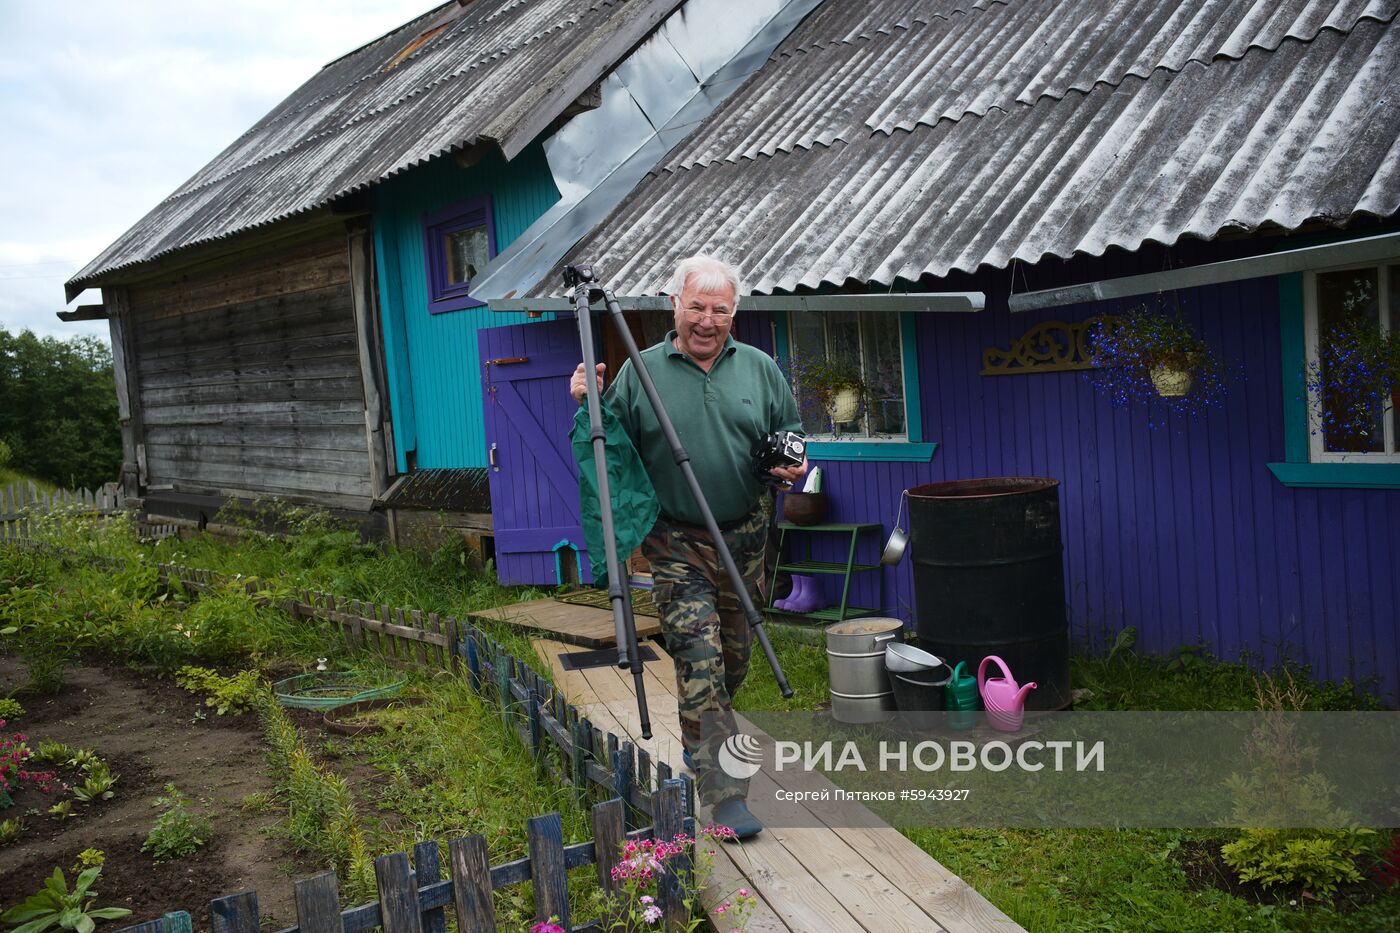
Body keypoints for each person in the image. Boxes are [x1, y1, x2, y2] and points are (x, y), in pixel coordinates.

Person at [569, 254, 806, 838]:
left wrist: (791, 463)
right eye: (696, 307)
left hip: (746, 538)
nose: (707, 320)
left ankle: (703, 740)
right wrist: (587, 400)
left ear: (734, 313)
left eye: (720, 310)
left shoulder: (760, 369)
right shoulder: (641, 372)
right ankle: (724, 797)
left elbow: (793, 434)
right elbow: (612, 446)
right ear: (673, 304)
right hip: (675, 543)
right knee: (699, 661)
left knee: (732, 662)